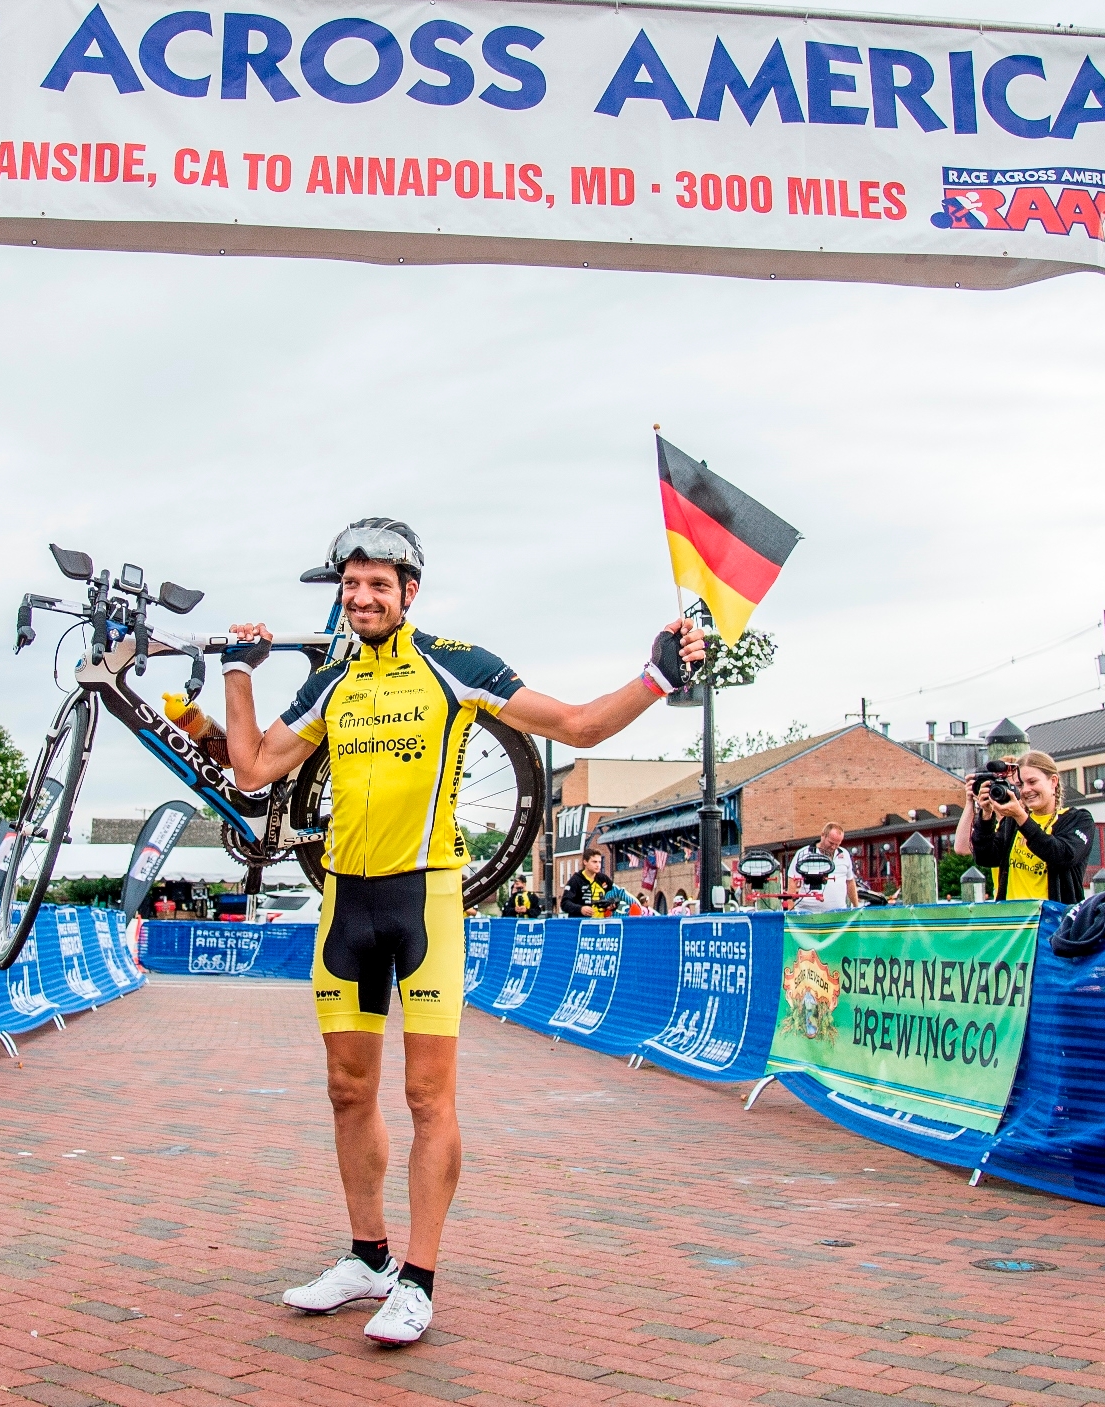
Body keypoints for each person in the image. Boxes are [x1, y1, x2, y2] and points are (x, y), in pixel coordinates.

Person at [221, 516, 705, 1346]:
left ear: (408, 592)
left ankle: (417, 1279)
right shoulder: (332, 681)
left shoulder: (456, 663)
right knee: (346, 1089)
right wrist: (238, 671)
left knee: (426, 1096)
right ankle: (367, 1257)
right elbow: (252, 767)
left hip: (425, 901)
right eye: (351, 584)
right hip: (345, 902)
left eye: (379, 584)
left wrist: (655, 675)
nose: (362, 597)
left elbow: (577, 726)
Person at [969, 748, 1093, 902]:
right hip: (1013, 914)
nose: (1026, 790)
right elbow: (985, 858)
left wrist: (1020, 816)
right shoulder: (1012, 821)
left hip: (1053, 915)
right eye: (1020, 785)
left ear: (1053, 781)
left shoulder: (1078, 819)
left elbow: (1063, 856)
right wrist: (986, 816)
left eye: (1032, 782)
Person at [786, 823, 859, 911]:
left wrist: (856, 907)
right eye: (831, 843)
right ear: (823, 835)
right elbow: (792, 881)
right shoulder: (803, 854)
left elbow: (850, 882)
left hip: (839, 912)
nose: (833, 847)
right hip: (808, 912)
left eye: (837, 844)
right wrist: (791, 909)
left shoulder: (844, 854)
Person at [561, 848, 614, 917]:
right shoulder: (576, 880)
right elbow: (565, 903)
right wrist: (580, 909)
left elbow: (614, 895)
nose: (598, 865)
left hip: (601, 921)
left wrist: (612, 905)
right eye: (594, 862)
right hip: (582, 921)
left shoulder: (603, 878)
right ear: (585, 862)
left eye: (600, 862)